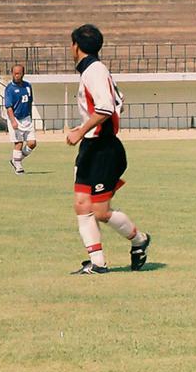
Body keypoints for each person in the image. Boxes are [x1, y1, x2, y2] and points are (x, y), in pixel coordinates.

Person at [65, 25, 151, 275]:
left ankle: (139, 240)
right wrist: (86, 129)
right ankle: (97, 263)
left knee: (100, 212)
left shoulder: (94, 71)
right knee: (82, 204)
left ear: (76, 46)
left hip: (103, 149)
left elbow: (106, 108)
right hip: (92, 146)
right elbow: (118, 103)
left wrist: (81, 130)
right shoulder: (94, 71)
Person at [3, 64, 37, 175]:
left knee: (32, 143)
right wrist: (13, 121)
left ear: (23, 74)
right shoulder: (10, 88)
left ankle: (16, 160)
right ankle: (18, 166)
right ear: (12, 74)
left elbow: (30, 102)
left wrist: (30, 116)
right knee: (19, 143)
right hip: (16, 119)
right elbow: (8, 107)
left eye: (19, 73)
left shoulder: (28, 86)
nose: (17, 75)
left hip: (27, 118)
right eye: (15, 73)